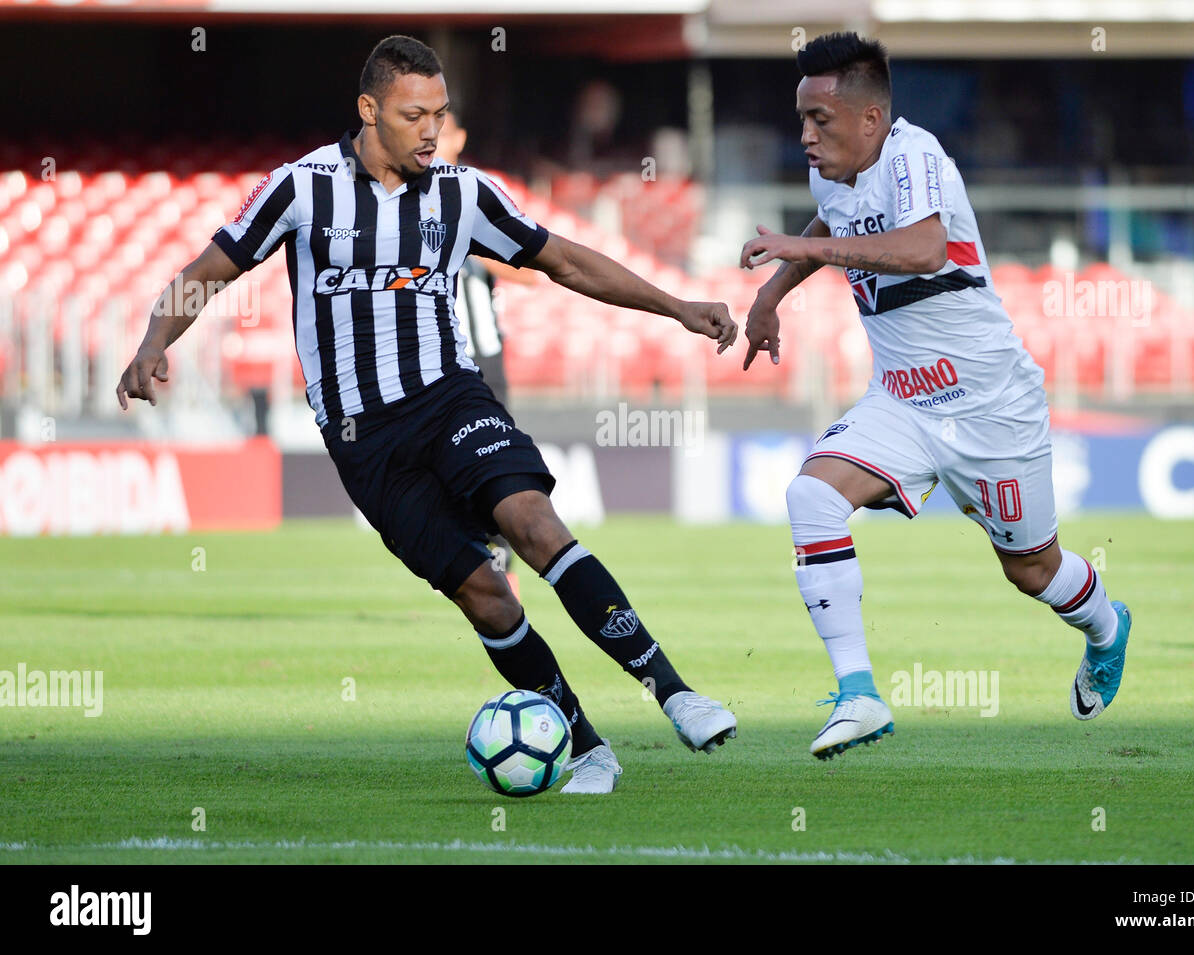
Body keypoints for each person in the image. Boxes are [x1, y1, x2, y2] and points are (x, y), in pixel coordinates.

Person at [117, 35, 739, 793]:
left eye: (440, 115)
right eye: (415, 116)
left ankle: (676, 693)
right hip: (364, 438)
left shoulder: (462, 193)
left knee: (534, 523)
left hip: (450, 397)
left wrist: (677, 307)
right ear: (369, 110)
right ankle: (584, 744)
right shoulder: (300, 187)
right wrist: (153, 341)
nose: (431, 132)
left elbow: (565, 260)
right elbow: (206, 271)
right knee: (485, 591)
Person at [739, 33, 1131, 760]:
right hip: (902, 403)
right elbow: (830, 223)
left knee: (1031, 570)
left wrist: (803, 254)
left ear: (871, 118)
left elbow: (923, 249)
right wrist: (771, 295)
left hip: (990, 406)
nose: (805, 136)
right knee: (812, 499)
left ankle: (1107, 628)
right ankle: (857, 693)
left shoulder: (915, 156)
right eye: (801, 118)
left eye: (820, 120)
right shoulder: (834, 173)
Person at [434, 108, 532, 591]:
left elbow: (530, 266)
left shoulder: (472, 194)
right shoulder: (410, 198)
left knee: (496, 465)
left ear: (459, 137)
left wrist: (470, 246)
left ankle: (504, 573)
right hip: (438, 363)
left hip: (486, 362)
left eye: (441, 128)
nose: (431, 136)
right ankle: (472, 574)